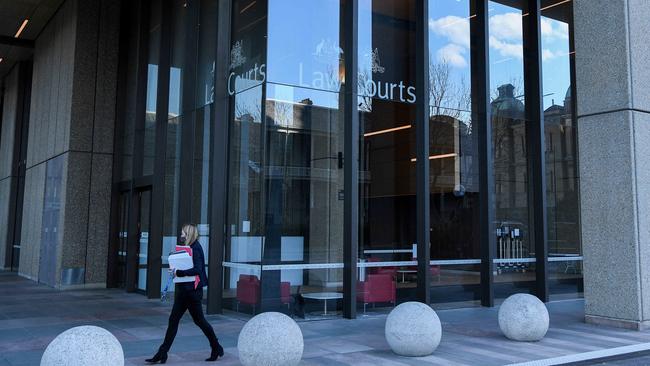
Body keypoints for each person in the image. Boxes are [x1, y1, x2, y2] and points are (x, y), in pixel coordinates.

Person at [146, 224, 224, 364]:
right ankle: (162, 353)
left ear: (189, 234)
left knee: (199, 321)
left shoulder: (196, 249)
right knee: (173, 321)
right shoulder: (188, 248)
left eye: (183, 234)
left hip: (193, 292)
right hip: (184, 291)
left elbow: (197, 270)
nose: (181, 236)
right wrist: (175, 270)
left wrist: (179, 272)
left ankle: (216, 346)